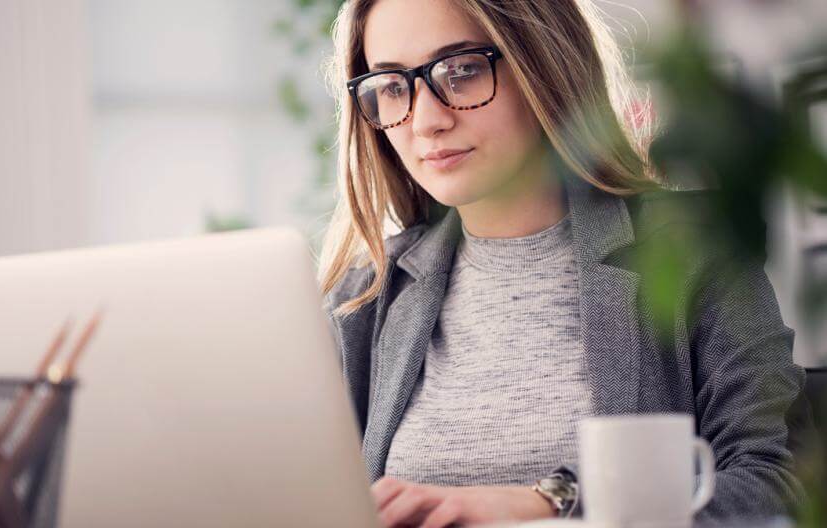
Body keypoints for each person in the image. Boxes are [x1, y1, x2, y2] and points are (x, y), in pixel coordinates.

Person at [317, 1, 808, 527]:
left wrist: (552, 500)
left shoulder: (693, 252)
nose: (428, 121)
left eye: (462, 71)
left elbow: (771, 483)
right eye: (392, 86)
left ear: (544, 66)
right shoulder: (366, 293)